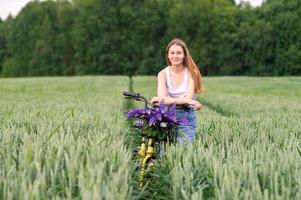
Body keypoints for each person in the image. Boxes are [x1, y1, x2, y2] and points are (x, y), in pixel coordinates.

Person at [151, 38, 204, 144]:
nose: (175, 56)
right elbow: (163, 100)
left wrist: (164, 99)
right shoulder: (162, 74)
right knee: (162, 152)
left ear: (184, 55)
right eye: (172, 53)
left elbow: (187, 99)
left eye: (179, 53)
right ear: (168, 55)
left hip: (186, 115)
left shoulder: (192, 73)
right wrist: (188, 101)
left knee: (184, 151)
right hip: (166, 115)